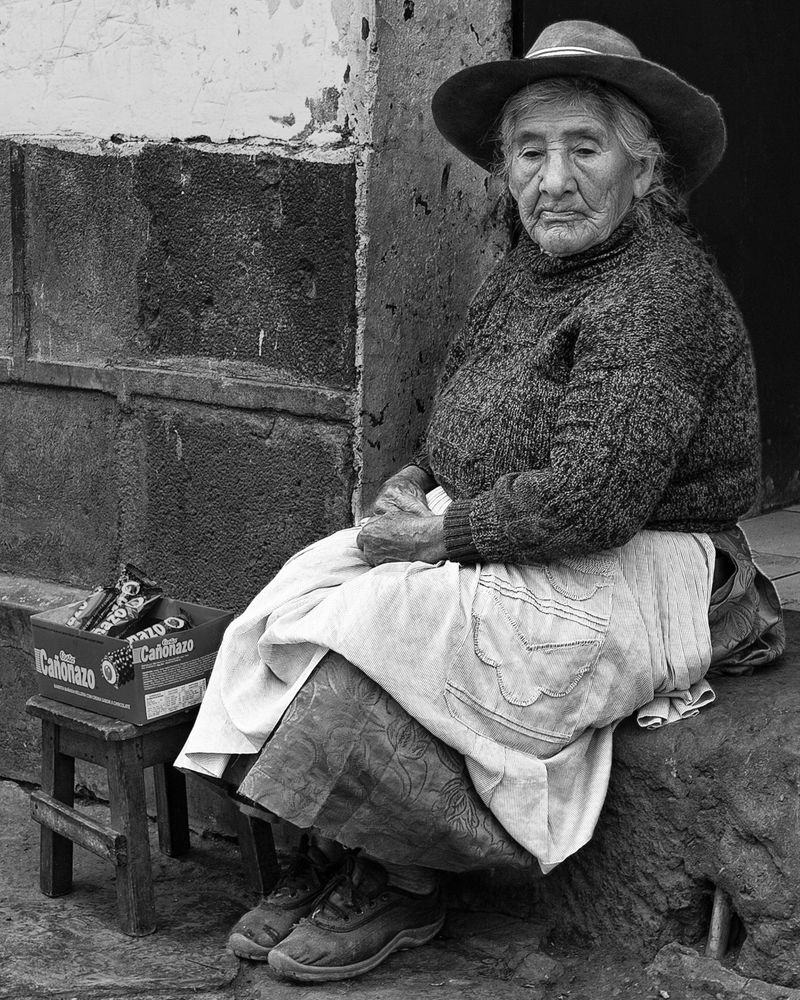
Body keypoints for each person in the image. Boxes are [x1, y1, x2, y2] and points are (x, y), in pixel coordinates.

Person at [176, 19, 784, 984]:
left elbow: (596, 496)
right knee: (302, 592)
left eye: (584, 149)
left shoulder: (660, 289)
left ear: (643, 169)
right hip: (503, 524)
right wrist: (416, 479)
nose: (553, 179)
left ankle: (405, 880)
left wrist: (437, 534)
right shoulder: (524, 270)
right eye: (530, 153)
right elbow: (462, 418)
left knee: (391, 621)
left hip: (645, 557)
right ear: (504, 171)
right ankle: (342, 846)